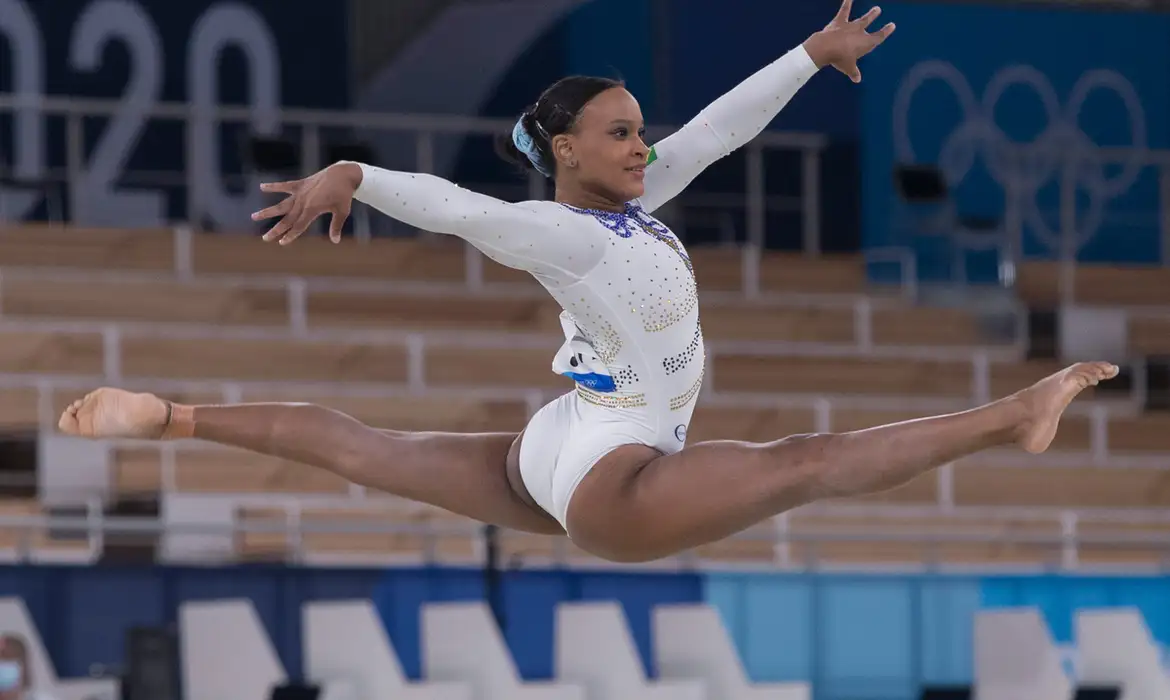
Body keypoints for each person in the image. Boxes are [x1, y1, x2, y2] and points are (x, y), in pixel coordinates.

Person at [58, 0, 1117, 563]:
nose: (641, 144)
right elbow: (466, 211)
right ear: (563, 149)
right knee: (806, 462)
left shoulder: (636, 204)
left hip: (567, 440)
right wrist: (357, 176)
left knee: (362, 446)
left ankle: (169, 413)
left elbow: (717, 127)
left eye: (638, 129)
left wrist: (806, 54)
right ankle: (1011, 414)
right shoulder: (567, 238)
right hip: (612, 480)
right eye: (618, 132)